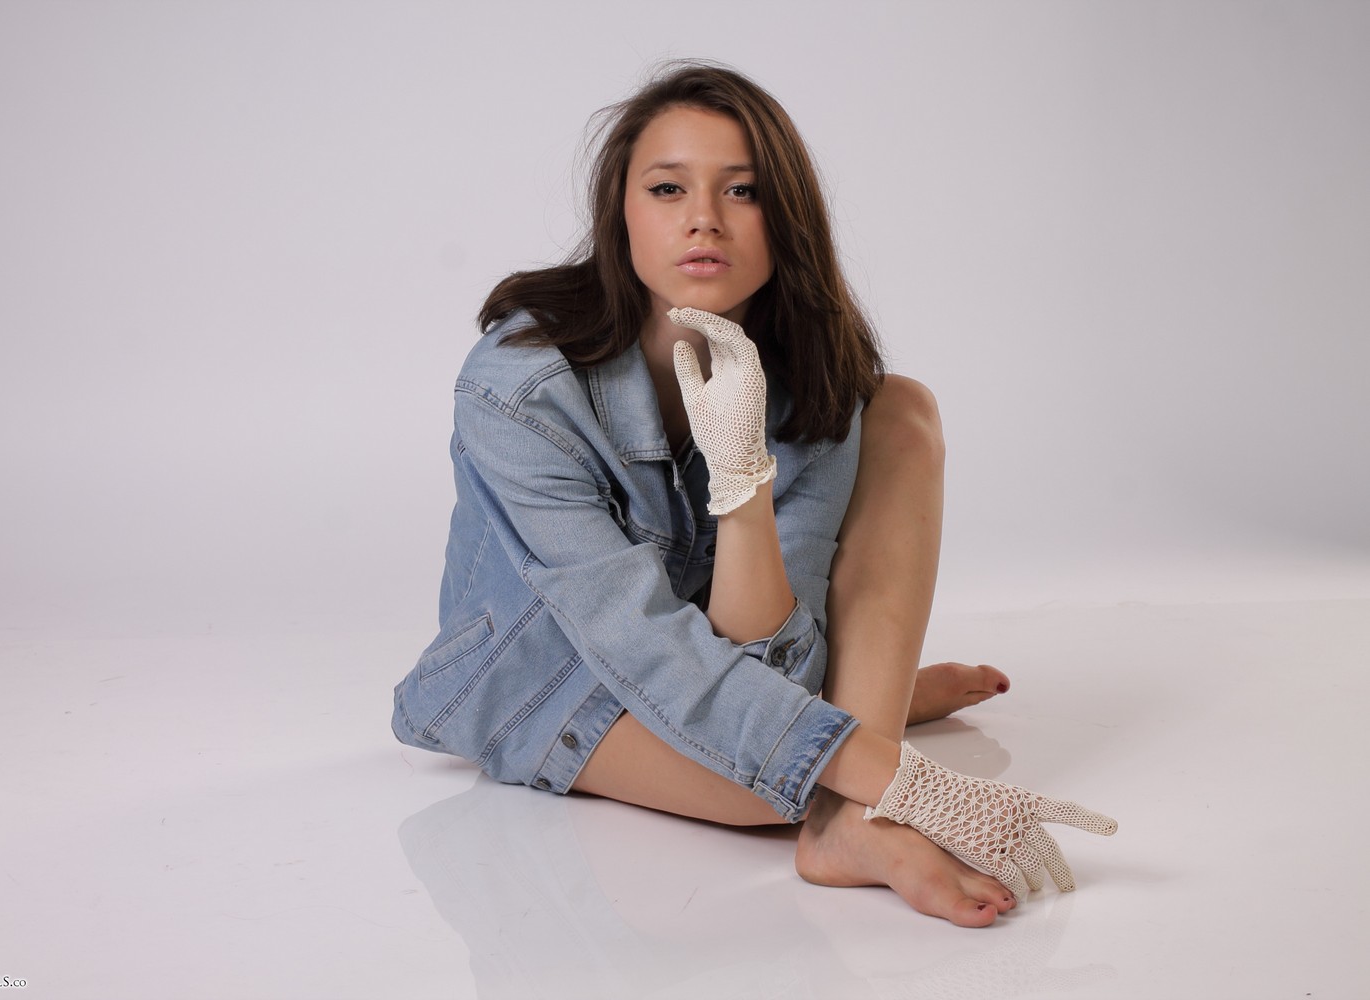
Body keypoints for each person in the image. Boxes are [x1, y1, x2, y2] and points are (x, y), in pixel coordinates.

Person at [392, 62, 1115, 928]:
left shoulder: (808, 375)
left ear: (785, 220)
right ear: (620, 215)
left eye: (743, 190)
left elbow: (774, 668)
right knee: (769, 782)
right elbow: (643, 644)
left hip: (712, 644)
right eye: (667, 188)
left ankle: (849, 815)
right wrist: (902, 779)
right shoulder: (519, 389)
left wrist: (742, 478)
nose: (704, 217)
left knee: (900, 409)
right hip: (547, 673)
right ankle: (867, 737)